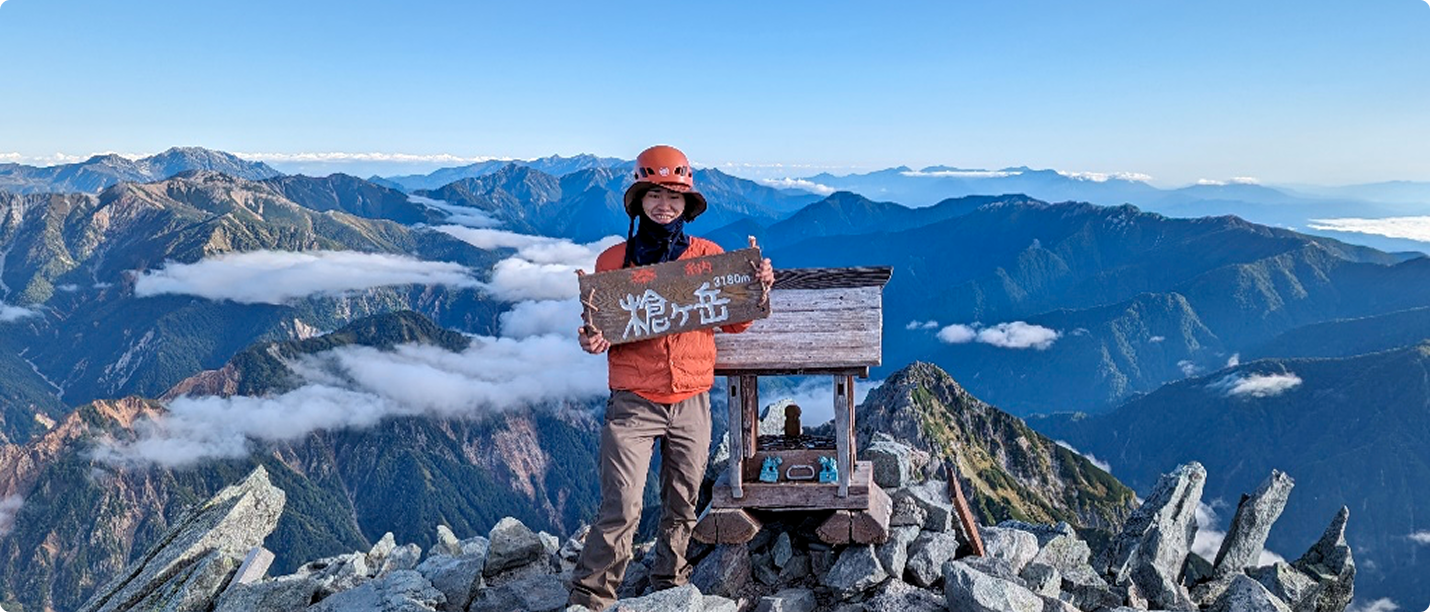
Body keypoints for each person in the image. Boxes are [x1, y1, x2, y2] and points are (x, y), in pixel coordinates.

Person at [568, 145, 774, 610]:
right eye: (655, 195)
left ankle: (670, 585)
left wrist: (755, 286)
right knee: (621, 506)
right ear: (639, 200)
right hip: (634, 400)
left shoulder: (710, 256)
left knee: (682, 502)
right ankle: (590, 597)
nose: (665, 206)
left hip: (691, 398)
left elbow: (736, 321)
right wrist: (593, 341)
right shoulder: (613, 262)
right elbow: (602, 331)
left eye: (675, 198)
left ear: (688, 205)